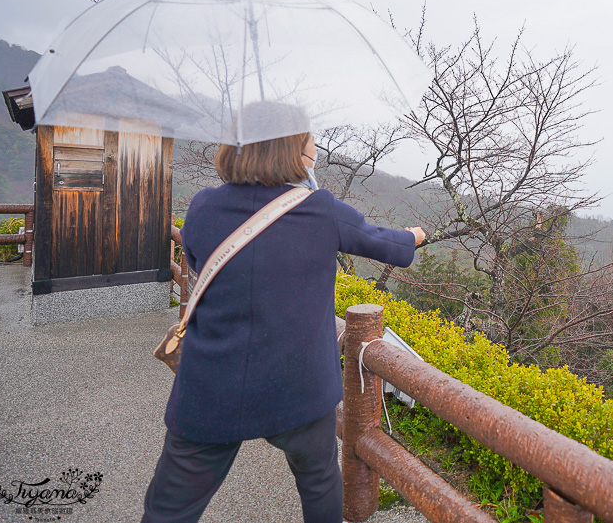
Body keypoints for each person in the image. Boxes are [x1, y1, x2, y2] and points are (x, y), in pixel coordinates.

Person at [142, 105, 425, 523]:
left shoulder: (203, 208)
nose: (314, 152)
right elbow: (387, 245)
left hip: (212, 386)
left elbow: (200, 262)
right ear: (293, 150)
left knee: (169, 508)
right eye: (310, 144)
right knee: (319, 483)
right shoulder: (319, 209)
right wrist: (418, 234)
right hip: (299, 387)